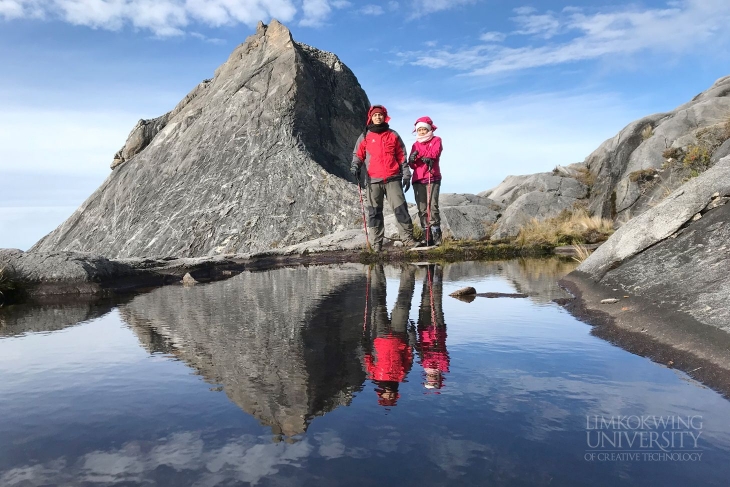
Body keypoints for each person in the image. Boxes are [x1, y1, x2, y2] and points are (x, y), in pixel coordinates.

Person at [351, 105, 418, 252]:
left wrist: (406, 174)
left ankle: (408, 240)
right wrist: (355, 166)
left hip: (393, 178)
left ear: (384, 116)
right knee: (374, 213)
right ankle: (376, 245)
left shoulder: (393, 135)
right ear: (371, 117)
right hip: (373, 180)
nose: (378, 117)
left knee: (401, 209)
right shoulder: (365, 136)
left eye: (380, 115)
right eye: (375, 115)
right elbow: (358, 155)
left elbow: (402, 156)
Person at [362, 264, 416, 407]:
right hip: (399, 335)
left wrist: (363, 342)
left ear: (380, 394)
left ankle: (376, 268)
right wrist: (412, 336)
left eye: (387, 397)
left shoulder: (373, 375)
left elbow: (366, 356)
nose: (390, 395)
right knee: (403, 303)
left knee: (378, 303)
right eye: (392, 397)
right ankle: (409, 269)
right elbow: (409, 355)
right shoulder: (402, 376)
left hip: (379, 335)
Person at [408, 116, 443, 246]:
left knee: (432, 206)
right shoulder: (415, 144)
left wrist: (428, 158)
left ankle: (437, 235)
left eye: (424, 129)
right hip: (418, 179)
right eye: (420, 130)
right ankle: (427, 237)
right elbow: (412, 165)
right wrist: (411, 159)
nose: (422, 132)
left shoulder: (436, 140)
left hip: (432, 176)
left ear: (429, 129)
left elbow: (435, 152)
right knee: (422, 208)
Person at [415, 264, 449, 390]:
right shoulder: (443, 366)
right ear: (439, 378)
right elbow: (443, 355)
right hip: (438, 329)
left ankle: (428, 272)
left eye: (429, 379)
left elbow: (421, 349)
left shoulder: (424, 364)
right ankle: (438, 270)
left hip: (423, 331)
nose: (431, 377)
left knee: (425, 304)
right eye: (433, 379)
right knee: (437, 303)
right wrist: (435, 351)